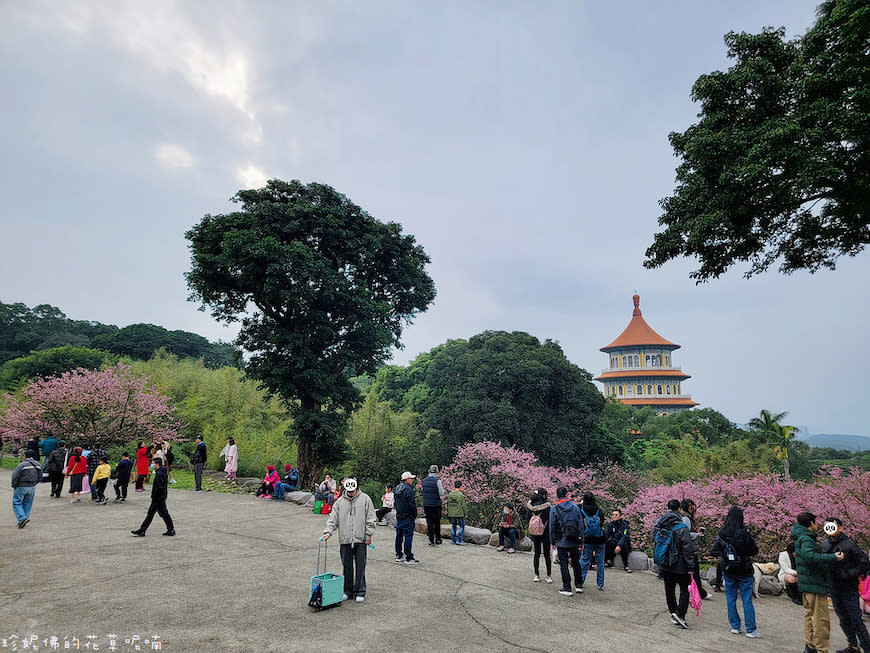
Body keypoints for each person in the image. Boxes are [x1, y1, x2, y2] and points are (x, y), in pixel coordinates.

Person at [791, 511, 844, 653]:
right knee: (821, 620)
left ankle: (810, 645)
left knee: (809, 616)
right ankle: (821, 649)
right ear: (811, 524)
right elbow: (810, 556)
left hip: (807, 583)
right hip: (814, 583)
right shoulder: (807, 538)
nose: (818, 525)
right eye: (816, 522)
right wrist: (833, 557)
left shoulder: (800, 537)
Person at [321, 476, 376, 603]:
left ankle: (360, 591)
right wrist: (328, 532)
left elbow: (371, 518)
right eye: (348, 491)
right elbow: (333, 519)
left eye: (352, 491)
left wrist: (368, 535)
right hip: (345, 539)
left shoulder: (365, 499)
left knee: (360, 566)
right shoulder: (340, 502)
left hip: (360, 539)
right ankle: (347, 591)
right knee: (347, 566)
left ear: (356, 488)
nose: (350, 493)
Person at [819, 517, 870, 653]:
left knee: (855, 619)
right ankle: (852, 645)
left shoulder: (849, 545)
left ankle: (867, 646)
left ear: (840, 527)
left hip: (849, 588)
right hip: (833, 588)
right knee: (843, 618)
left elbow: (864, 564)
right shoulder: (823, 545)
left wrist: (848, 574)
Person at [710, 505, 761, 638]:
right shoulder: (744, 533)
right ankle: (750, 629)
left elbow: (714, 550)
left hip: (728, 569)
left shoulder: (721, 533)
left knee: (730, 598)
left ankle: (735, 626)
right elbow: (754, 550)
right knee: (746, 599)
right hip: (744, 570)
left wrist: (724, 554)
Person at [653, 498, 697, 629]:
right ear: (679, 509)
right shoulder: (681, 527)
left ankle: (673, 612)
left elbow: (654, 539)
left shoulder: (659, 524)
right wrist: (691, 566)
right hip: (680, 565)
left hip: (665, 563)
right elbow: (688, 548)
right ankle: (680, 613)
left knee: (669, 589)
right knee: (685, 589)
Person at [551, 486, 583, 596]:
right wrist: (581, 541)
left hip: (561, 540)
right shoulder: (575, 508)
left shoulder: (554, 508)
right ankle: (578, 585)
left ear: (557, 494)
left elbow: (552, 526)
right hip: (574, 539)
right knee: (576, 562)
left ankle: (567, 587)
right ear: (567, 494)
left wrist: (553, 541)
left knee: (563, 563)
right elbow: (580, 525)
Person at [131, 457, 175, 537]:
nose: (152, 465)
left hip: (158, 497)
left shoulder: (160, 473)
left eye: (153, 463)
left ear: (157, 464)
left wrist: (155, 496)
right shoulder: (160, 471)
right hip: (158, 497)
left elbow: (159, 486)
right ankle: (142, 530)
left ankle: (171, 529)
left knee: (163, 513)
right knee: (151, 514)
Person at [681, 498, 712, 601]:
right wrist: (696, 534)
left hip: (690, 549)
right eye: (691, 506)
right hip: (689, 550)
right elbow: (685, 534)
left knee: (693, 573)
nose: (693, 508)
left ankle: (697, 592)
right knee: (694, 573)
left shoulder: (688, 518)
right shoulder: (686, 519)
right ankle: (699, 593)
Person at [579, 492, 607, 591]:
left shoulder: (582, 510)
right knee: (600, 561)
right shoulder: (598, 510)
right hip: (600, 539)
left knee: (585, 560)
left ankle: (580, 581)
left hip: (588, 539)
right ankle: (600, 584)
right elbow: (602, 521)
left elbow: (580, 525)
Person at [527, 488, 552, 583]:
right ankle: (548, 576)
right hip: (545, 533)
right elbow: (550, 520)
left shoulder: (530, 506)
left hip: (535, 534)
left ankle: (536, 575)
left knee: (536, 554)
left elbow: (527, 519)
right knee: (546, 555)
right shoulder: (547, 507)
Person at [394, 471, 419, 565]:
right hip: (407, 516)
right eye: (411, 478)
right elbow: (412, 504)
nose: (412, 480)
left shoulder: (397, 488)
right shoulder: (408, 490)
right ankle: (408, 557)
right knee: (408, 536)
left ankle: (398, 554)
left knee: (399, 536)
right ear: (407, 479)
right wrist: (414, 515)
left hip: (399, 515)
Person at [11, 452, 41, 528]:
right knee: (27, 504)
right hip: (32, 487)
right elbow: (40, 477)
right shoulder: (38, 465)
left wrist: (14, 485)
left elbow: (15, 476)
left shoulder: (22, 465)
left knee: (17, 502)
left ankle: (22, 518)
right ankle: (23, 519)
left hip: (21, 486)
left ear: (25, 456)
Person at [421, 464, 445, 546]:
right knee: (437, 522)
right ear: (437, 471)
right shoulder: (437, 480)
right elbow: (441, 493)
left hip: (427, 504)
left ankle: (431, 540)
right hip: (435, 504)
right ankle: (438, 538)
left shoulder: (424, 480)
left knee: (429, 522)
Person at [604, 508, 632, 573]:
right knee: (607, 544)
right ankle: (608, 560)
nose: (614, 516)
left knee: (624, 547)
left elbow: (625, 536)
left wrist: (619, 545)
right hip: (614, 542)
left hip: (623, 543)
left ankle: (626, 565)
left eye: (616, 515)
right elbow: (607, 535)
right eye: (613, 515)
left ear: (620, 516)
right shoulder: (610, 524)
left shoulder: (625, 525)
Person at [446, 480, 467, 545]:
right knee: (462, 526)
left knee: (453, 526)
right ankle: (459, 540)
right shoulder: (460, 495)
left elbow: (448, 504)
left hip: (452, 513)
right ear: (460, 487)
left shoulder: (450, 494)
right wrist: (465, 513)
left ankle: (453, 540)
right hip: (459, 513)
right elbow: (463, 505)